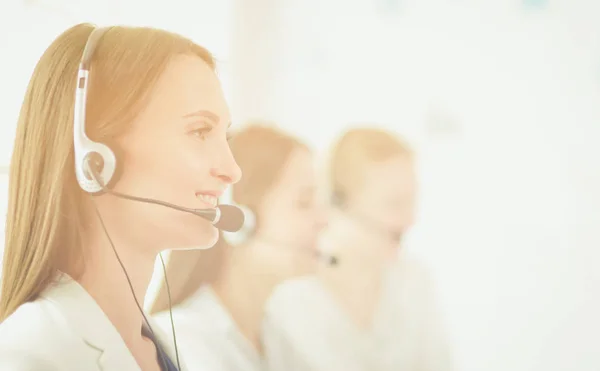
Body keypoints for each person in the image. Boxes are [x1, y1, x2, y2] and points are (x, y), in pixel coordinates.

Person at [0, 23, 240, 371]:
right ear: (95, 159)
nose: (232, 170)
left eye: (225, 137)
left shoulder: (162, 346)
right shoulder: (32, 354)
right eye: (200, 131)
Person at [263, 127, 453, 371]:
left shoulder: (415, 281)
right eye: (395, 203)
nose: (411, 219)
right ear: (338, 204)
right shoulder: (291, 296)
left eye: (412, 200)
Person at [150, 124, 327, 371]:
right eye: (304, 202)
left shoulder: (275, 337)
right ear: (238, 220)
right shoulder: (185, 342)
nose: (324, 220)